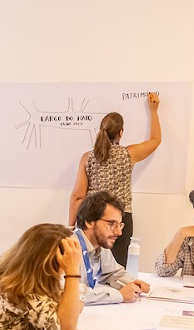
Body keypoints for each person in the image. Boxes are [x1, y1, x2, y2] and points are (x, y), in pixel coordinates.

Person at [68, 92, 162, 266]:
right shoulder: (129, 154)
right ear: (121, 132)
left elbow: (77, 196)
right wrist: (154, 111)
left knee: (88, 265)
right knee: (118, 268)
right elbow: (155, 140)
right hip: (120, 219)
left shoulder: (88, 157)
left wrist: (71, 224)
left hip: (92, 218)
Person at [74, 191, 150, 305]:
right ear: (89, 221)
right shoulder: (68, 248)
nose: (119, 232)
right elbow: (71, 294)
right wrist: (119, 296)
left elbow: (112, 273)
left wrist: (132, 283)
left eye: (120, 225)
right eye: (111, 223)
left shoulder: (100, 245)